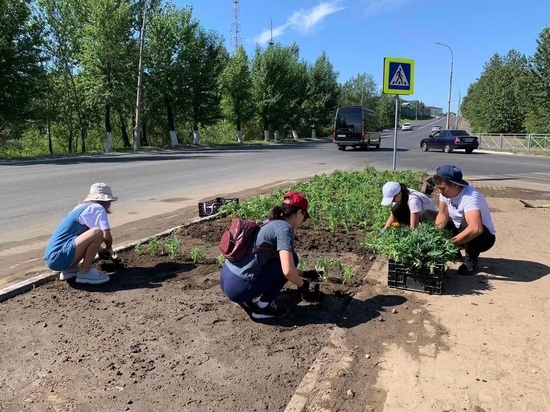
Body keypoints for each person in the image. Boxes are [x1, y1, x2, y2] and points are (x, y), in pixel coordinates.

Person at [219, 191, 320, 320]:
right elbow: (288, 271)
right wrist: (302, 285)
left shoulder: (270, 221)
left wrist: (304, 274)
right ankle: (262, 309)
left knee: (283, 261)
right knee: (292, 259)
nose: (303, 221)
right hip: (238, 288)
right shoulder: (284, 229)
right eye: (304, 217)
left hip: (226, 280)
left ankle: (246, 299)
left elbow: (273, 261)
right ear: (299, 213)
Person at [43, 183, 118, 284]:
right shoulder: (97, 208)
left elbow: (79, 239)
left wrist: (100, 249)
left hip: (53, 258)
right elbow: (106, 235)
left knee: (93, 234)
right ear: (106, 201)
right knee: (97, 232)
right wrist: (109, 249)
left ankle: (70, 270)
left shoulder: (79, 208)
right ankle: (85, 273)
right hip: (59, 257)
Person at [432, 165, 496, 275]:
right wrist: (434, 236)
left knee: (467, 223)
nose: (440, 191)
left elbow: (476, 228)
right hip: (459, 231)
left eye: (442, 188)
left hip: (483, 239)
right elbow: (442, 214)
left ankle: (471, 261)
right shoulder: (445, 193)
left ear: (455, 185)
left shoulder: (470, 196)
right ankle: (454, 253)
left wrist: (449, 244)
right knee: (426, 215)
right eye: (438, 188)